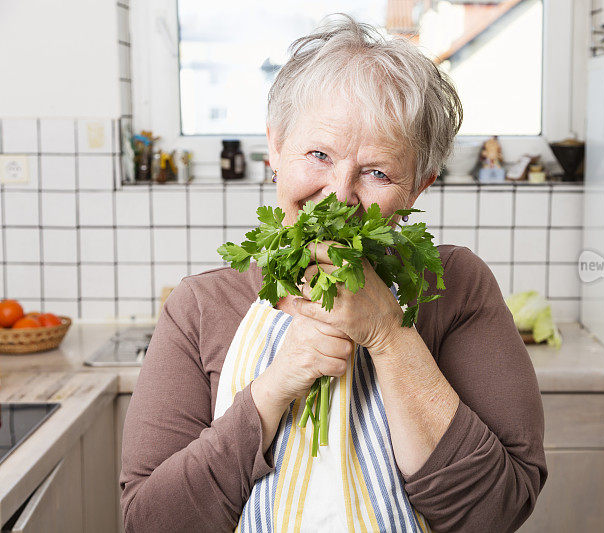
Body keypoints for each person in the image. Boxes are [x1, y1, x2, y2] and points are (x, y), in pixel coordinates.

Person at [120, 14, 547, 533]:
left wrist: (389, 335)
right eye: (319, 154)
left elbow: (496, 512)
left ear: (420, 185)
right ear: (275, 147)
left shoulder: (454, 286)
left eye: (377, 172)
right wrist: (272, 390)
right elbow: (149, 522)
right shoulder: (200, 306)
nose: (339, 194)